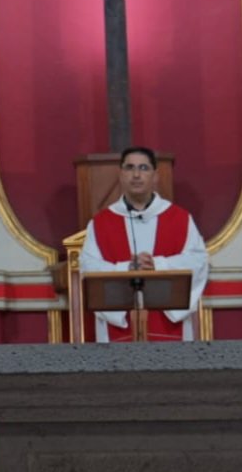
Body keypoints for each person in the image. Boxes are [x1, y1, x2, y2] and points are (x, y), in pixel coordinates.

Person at [79, 146, 209, 342]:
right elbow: (87, 268)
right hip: (120, 326)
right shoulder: (101, 223)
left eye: (143, 168)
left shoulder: (179, 218)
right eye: (129, 168)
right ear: (121, 174)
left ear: (155, 176)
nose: (136, 175)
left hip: (169, 326)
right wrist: (127, 268)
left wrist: (158, 265)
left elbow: (198, 262)